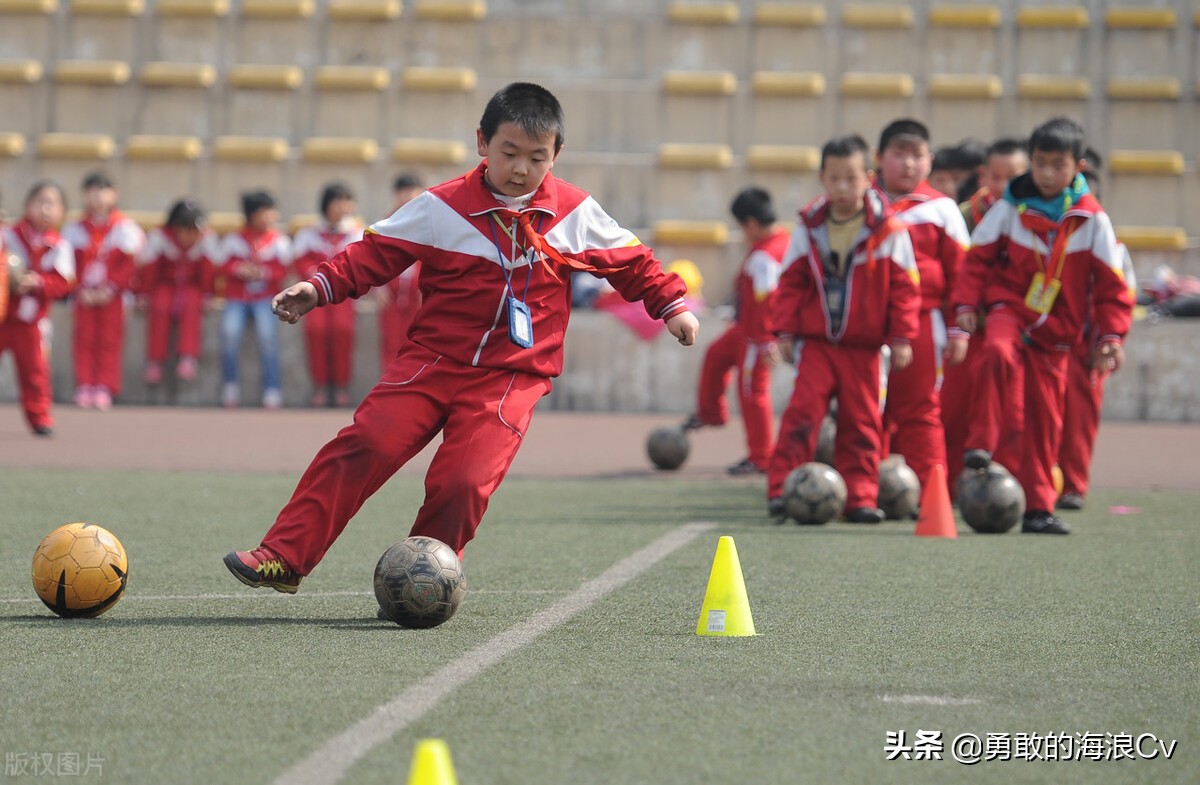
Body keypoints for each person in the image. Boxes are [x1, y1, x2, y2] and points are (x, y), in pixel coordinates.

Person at [223, 82, 698, 593]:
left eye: (537, 158)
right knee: (365, 443)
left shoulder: (576, 212)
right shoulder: (440, 206)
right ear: (482, 143)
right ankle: (284, 555)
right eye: (509, 153)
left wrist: (671, 306)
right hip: (431, 360)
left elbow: (633, 263)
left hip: (512, 376)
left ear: (556, 154)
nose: (521, 169)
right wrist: (318, 288)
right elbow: (372, 253)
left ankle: (424, 584)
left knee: (463, 482)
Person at [953, 118, 1134, 534]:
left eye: (1058, 165)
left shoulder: (1093, 220)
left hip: (1058, 333)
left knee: (1045, 421)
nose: (1048, 174)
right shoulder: (1009, 207)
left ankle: (1038, 509)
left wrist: (1111, 336)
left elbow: (1112, 287)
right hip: (1010, 309)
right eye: (1040, 163)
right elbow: (977, 259)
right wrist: (965, 304)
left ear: (1078, 167)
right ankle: (981, 442)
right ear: (1031, 162)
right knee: (996, 353)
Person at [767, 134, 920, 523]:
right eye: (834, 178)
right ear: (822, 178)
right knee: (801, 416)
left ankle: (861, 498)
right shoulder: (809, 227)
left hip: (864, 349)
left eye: (851, 178)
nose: (842, 187)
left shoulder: (889, 229)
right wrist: (784, 332)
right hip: (817, 345)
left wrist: (902, 337)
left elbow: (905, 288)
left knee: (863, 423)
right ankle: (782, 490)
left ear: (868, 178)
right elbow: (790, 282)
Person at [874, 119, 972, 495]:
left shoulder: (942, 210)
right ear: (879, 158)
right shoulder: (861, 205)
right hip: (866, 325)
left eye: (916, 155)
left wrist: (958, 328)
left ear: (929, 160)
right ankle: (866, 491)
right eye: (898, 154)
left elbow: (961, 274)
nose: (908, 164)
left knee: (920, 409)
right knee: (867, 412)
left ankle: (931, 494)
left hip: (921, 324)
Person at [682, 187, 789, 475]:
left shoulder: (766, 255)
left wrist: (766, 340)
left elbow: (768, 300)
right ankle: (711, 413)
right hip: (745, 329)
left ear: (751, 224)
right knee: (715, 355)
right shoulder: (776, 244)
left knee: (753, 392)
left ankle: (762, 457)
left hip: (757, 336)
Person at [943, 137, 1030, 489]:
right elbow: (958, 269)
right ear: (982, 176)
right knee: (953, 407)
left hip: (1012, 325)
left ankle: (1006, 487)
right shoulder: (963, 215)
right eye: (995, 177)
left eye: (1013, 177)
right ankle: (948, 484)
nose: (1003, 185)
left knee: (1012, 410)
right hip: (965, 325)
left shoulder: (1036, 218)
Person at [1056, 169, 1137, 511]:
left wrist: (1111, 340)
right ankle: (1037, 482)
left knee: (1079, 420)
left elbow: (1121, 297)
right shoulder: (1047, 240)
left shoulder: (1113, 249)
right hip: (1048, 341)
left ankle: (1072, 486)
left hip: (1087, 349)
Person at [62, 172, 145, 410]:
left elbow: (130, 266)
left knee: (110, 340)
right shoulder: (74, 229)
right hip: (84, 295)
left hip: (114, 296)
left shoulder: (126, 228)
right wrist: (80, 289)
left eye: (102, 191)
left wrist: (110, 288)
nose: (97, 196)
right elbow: (68, 264)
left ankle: (104, 386)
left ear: (114, 194)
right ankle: (84, 383)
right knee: (84, 337)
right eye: (91, 191)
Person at [0, 181, 75, 436]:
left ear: (62, 212)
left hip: (31, 322)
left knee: (35, 372)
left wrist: (38, 282)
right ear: (27, 205)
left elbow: (63, 283)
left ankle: (39, 417)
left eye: (52, 204)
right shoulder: (8, 235)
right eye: (40, 202)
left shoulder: (59, 246)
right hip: (3, 315)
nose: (45, 209)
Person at [212, 190, 291, 409]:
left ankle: (272, 388)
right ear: (252, 215)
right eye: (265, 212)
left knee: (268, 338)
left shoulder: (279, 240)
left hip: (266, 298)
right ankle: (230, 384)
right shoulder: (234, 240)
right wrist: (239, 269)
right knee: (229, 334)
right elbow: (222, 265)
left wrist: (263, 272)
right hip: (237, 297)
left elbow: (284, 270)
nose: (270, 217)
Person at [293, 183, 364, 407]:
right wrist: (315, 274)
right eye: (339, 201)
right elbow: (300, 261)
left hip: (344, 294)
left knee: (343, 332)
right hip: (316, 293)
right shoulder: (310, 233)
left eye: (347, 201)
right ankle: (320, 385)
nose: (344, 206)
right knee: (316, 331)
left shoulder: (357, 232)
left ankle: (341, 386)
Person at [137, 198, 216, 386]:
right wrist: (143, 293)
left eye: (193, 230)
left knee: (192, 305)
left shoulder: (205, 239)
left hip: (192, 286)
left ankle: (188, 358)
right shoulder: (160, 238)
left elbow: (209, 271)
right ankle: (156, 361)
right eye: (184, 229)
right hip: (165, 285)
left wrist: (209, 294)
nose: (189, 236)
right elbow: (149, 270)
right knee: (159, 306)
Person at [374, 173, 425, 372]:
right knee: (390, 341)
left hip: (417, 293)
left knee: (417, 342)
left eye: (413, 192)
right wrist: (378, 287)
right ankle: (389, 383)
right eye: (404, 192)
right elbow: (374, 258)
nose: (408, 197)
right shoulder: (384, 224)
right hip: (391, 294)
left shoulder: (429, 223)